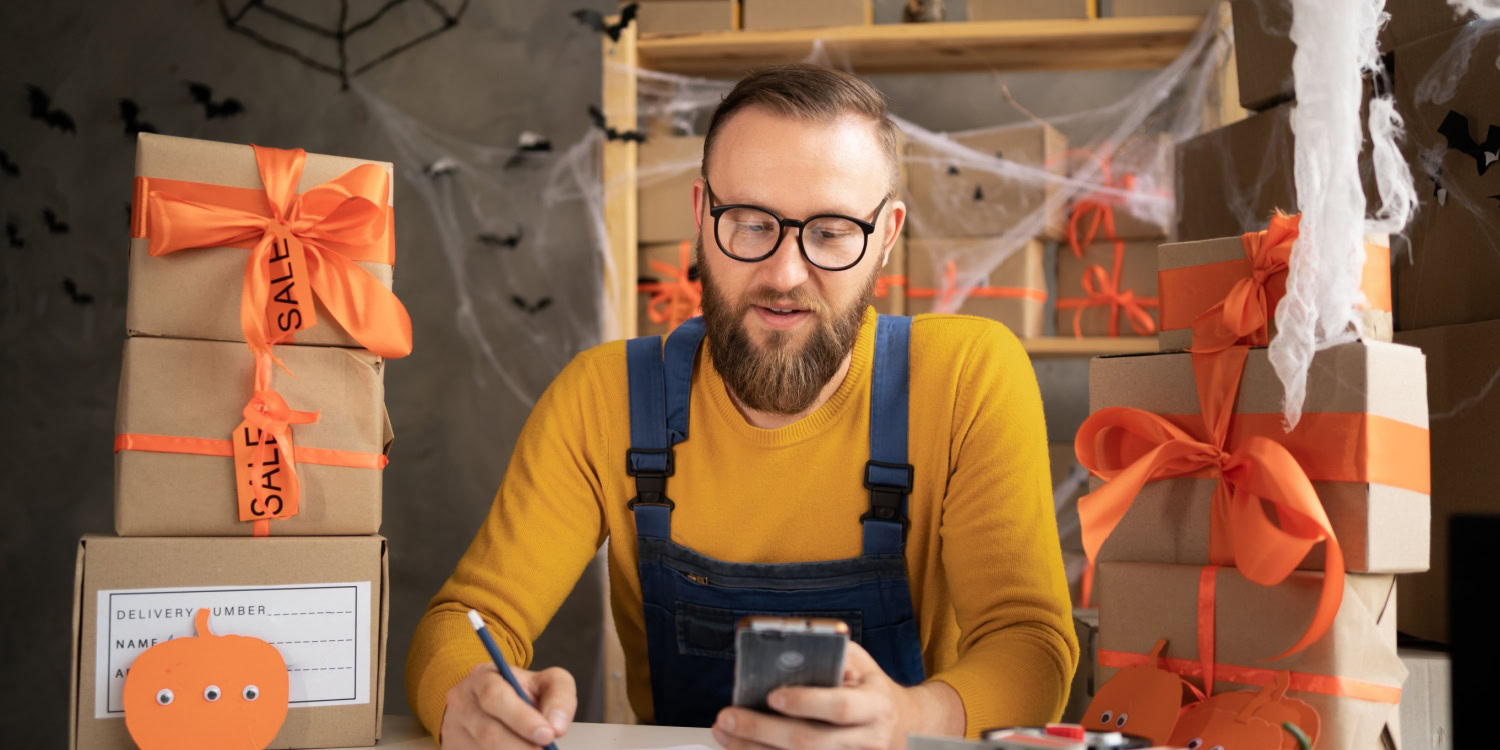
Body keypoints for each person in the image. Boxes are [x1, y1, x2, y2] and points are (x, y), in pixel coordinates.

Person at [407, 63, 1077, 750]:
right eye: (752, 223)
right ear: (700, 214)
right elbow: (466, 619)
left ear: (884, 235)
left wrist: (908, 720)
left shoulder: (968, 379)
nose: (785, 274)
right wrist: (473, 697)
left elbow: (1030, 643)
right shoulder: (601, 399)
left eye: (832, 230)